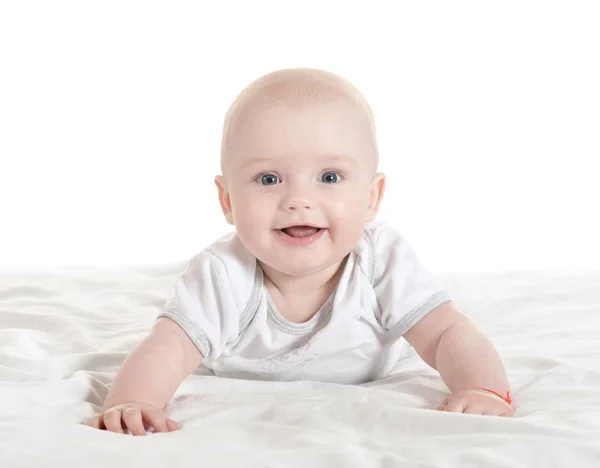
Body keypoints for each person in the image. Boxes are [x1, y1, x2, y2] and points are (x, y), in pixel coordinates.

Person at [88, 68, 513, 436]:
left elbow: (444, 334)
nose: (298, 199)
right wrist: (133, 401)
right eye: (268, 179)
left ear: (372, 197)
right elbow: (170, 347)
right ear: (228, 201)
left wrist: (479, 387)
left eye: (329, 176)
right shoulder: (223, 273)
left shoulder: (381, 259)